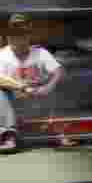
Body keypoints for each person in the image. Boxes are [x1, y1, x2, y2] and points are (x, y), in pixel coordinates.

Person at [0, 15, 67, 151]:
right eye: (14, 34)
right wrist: (22, 87)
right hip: (12, 102)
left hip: (39, 98)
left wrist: (48, 87)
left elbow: (58, 71)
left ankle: (60, 130)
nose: (18, 38)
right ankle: (9, 137)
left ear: (29, 36)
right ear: (8, 37)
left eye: (22, 33)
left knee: (59, 84)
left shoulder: (40, 53)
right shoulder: (2, 55)